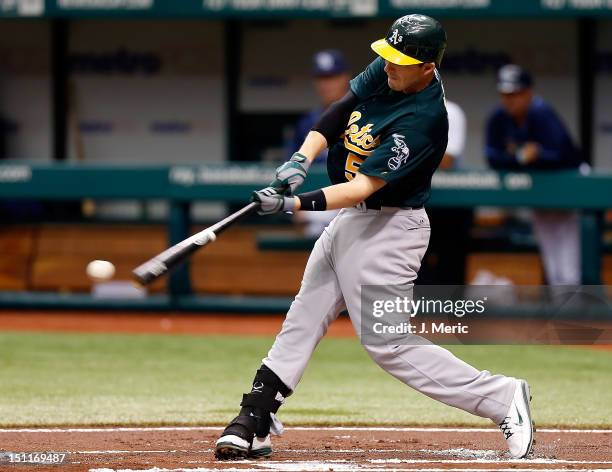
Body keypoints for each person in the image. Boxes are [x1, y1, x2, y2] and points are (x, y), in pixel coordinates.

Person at [215, 15, 534, 461]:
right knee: (304, 316)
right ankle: (255, 417)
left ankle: (501, 397)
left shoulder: (424, 119)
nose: (388, 67)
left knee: (388, 344)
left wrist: (292, 204)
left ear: (428, 68)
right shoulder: (391, 70)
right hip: (352, 221)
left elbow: (362, 187)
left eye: (400, 62)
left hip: (391, 230)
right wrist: (301, 158)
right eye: (387, 56)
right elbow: (341, 108)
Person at [485, 64, 582, 285]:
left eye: (515, 94)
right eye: (505, 94)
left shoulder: (541, 112)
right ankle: (560, 309)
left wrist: (538, 154)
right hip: (540, 190)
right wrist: (521, 157)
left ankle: (574, 311)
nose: (509, 99)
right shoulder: (498, 118)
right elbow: (492, 157)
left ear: (528, 92)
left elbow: (564, 155)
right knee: (552, 261)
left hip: (567, 186)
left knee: (568, 266)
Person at [287, 50, 350, 236]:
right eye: (322, 78)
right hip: (314, 205)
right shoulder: (307, 123)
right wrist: (295, 206)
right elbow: (292, 166)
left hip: (354, 204)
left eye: (332, 77)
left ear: (346, 78)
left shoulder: (364, 116)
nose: (326, 84)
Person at [417, 99, 472, 284]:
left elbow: (446, 161)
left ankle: (450, 309)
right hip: (413, 201)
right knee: (413, 267)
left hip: (447, 205)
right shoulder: (396, 110)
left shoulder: (450, 111)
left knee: (450, 269)